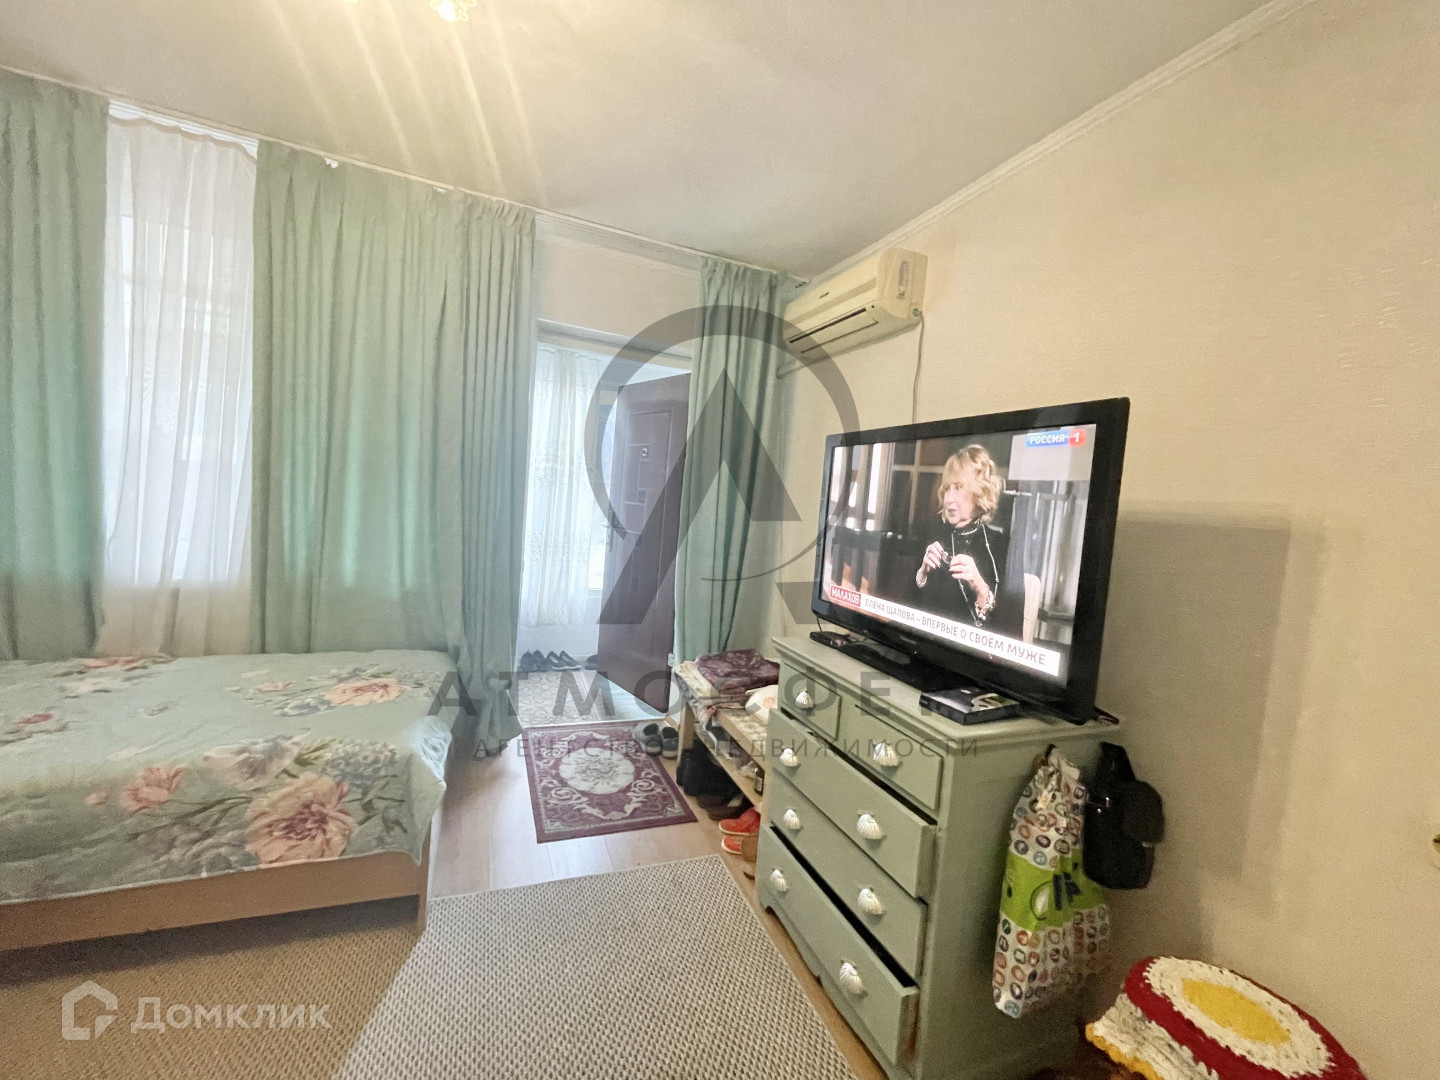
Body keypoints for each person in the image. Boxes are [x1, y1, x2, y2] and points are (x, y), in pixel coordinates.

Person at [914, 444, 1011, 629]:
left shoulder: (1000, 546)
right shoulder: (933, 536)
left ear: (978, 491)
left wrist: (979, 586)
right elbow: (906, 608)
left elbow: (1005, 627)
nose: (949, 498)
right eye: (947, 489)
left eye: (958, 487)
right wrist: (923, 573)